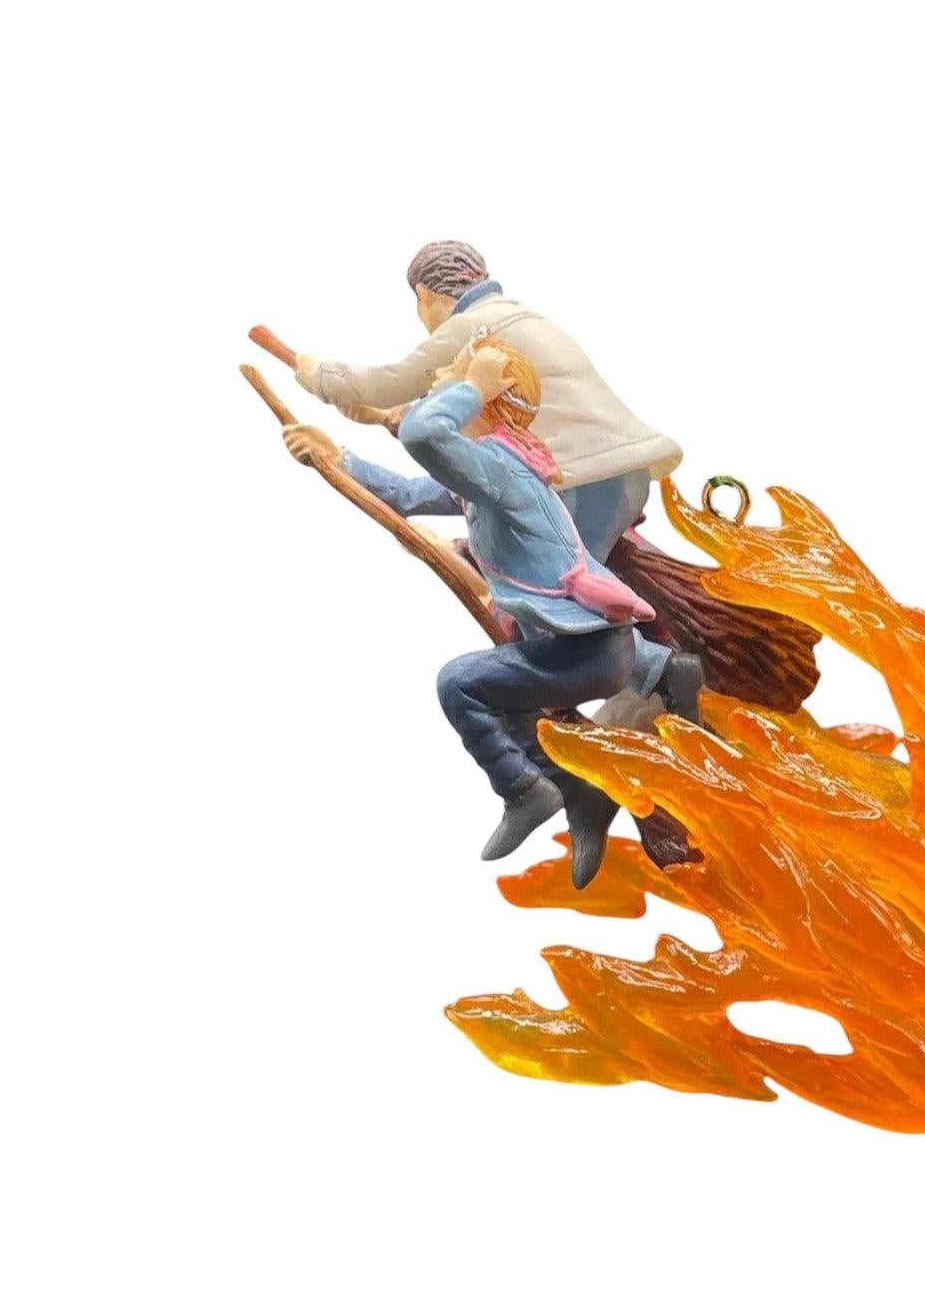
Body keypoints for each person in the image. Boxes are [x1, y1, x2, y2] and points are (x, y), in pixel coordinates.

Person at [282, 340, 694, 886]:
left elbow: (422, 434)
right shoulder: (489, 469)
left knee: (460, 684)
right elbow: (404, 494)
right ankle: (652, 688)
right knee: (508, 691)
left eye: (451, 378)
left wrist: (474, 383)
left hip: (587, 652)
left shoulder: (499, 468)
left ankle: (527, 790)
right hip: (587, 643)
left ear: (485, 398)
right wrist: (336, 456)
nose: (437, 384)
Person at [289, 240, 680, 566]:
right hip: (620, 469)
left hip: (580, 479)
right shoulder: (521, 317)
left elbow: (391, 384)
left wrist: (319, 376)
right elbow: (431, 478)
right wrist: (356, 446)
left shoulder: (472, 326)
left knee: (559, 598)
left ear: (425, 296)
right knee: (565, 588)